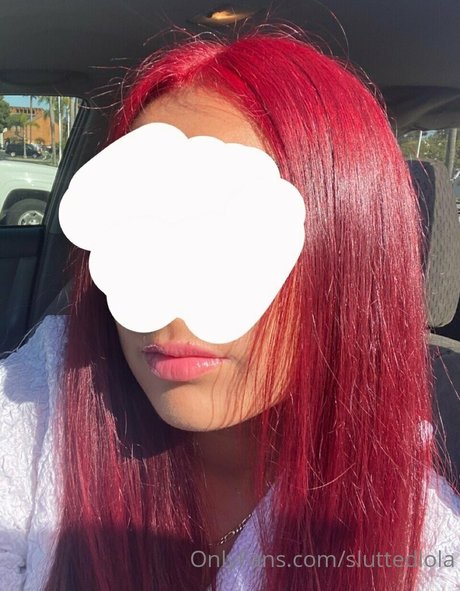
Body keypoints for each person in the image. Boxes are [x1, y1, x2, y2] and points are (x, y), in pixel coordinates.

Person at [0, 30, 459, 591]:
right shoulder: (38, 408)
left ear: (349, 262)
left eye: (234, 242)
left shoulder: (422, 544)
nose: (170, 304)